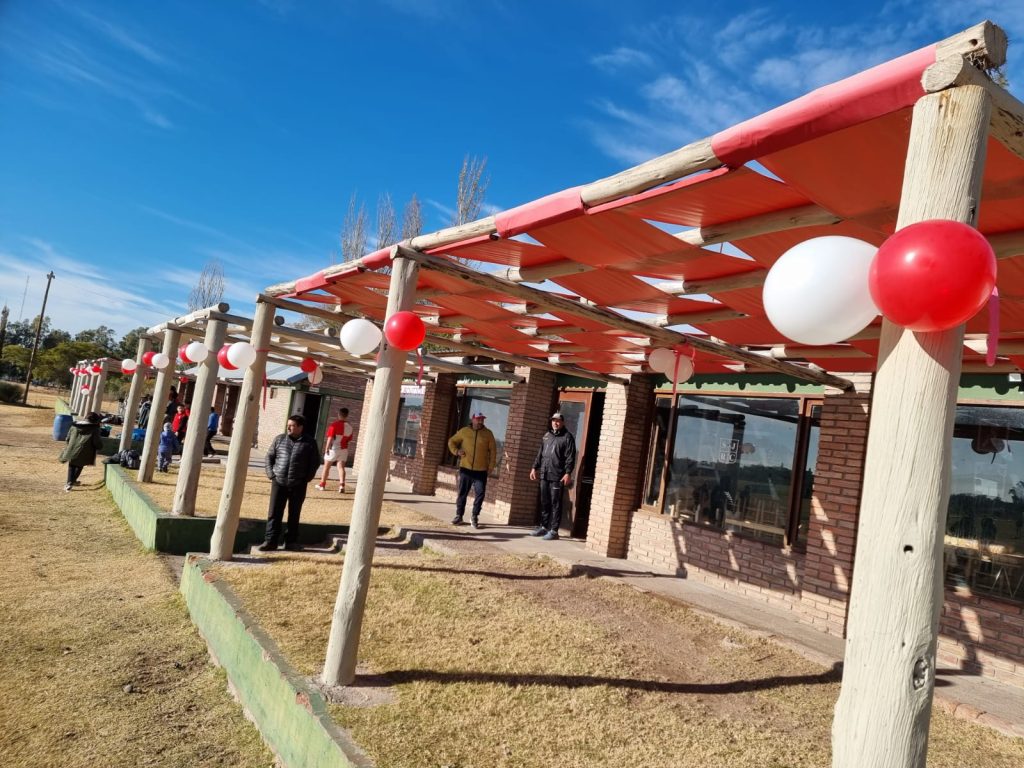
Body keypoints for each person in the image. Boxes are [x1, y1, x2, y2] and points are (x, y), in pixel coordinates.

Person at [259, 414, 321, 552]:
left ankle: (291, 542)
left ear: (300, 427)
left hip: (298, 484)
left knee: (294, 514)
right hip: (278, 482)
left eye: (292, 425)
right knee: (274, 513)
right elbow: (269, 457)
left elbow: (314, 462)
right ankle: (270, 541)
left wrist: (306, 479)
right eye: (288, 425)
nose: (288, 428)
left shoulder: (310, 443)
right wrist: (271, 474)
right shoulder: (279, 439)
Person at [529, 412, 577, 541]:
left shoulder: (567, 437)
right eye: (553, 420)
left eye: (558, 421)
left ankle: (554, 531)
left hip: (557, 476)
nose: (555, 423)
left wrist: (568, 473)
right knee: (544, 501)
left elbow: (570, 457)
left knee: (555, 503)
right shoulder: (547, 436)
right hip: (544, 474)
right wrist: (534, 468)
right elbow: (540, 454)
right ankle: (544, 527)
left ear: (562, 422)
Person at [447, 411, 497, 529]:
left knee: (480, 494)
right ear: (473, 419)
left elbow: (493, 451)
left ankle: (474, 516)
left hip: (481, 471)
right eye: (478, 419)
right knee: (462, 493)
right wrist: (456, 451)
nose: (480, 421)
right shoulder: (464, 431)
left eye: (482, 419)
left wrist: (491, 466)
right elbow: (451, 441)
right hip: (466, 469)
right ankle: (459, 516)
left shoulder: (488, 434)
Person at [58, 412, 103, 492]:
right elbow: (96, 442)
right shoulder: (94, 429)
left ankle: (71, 482)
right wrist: (100, 446)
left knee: (72, 465)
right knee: (79, 465)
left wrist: (69, 445)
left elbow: (68, 438)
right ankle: (70, 483)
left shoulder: (74, 426)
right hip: (85, 450)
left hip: (72, 448)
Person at [316, 407, 354, 493]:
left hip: (333, 449)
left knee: (326, 467)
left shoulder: (334, 425)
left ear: (339, 414)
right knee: (341, 467)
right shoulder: (350, 427)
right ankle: (342, 486)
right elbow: (349, 439)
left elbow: (330, 438)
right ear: (347, 415)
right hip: (344, 450)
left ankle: (322, 485)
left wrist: (326, 448)